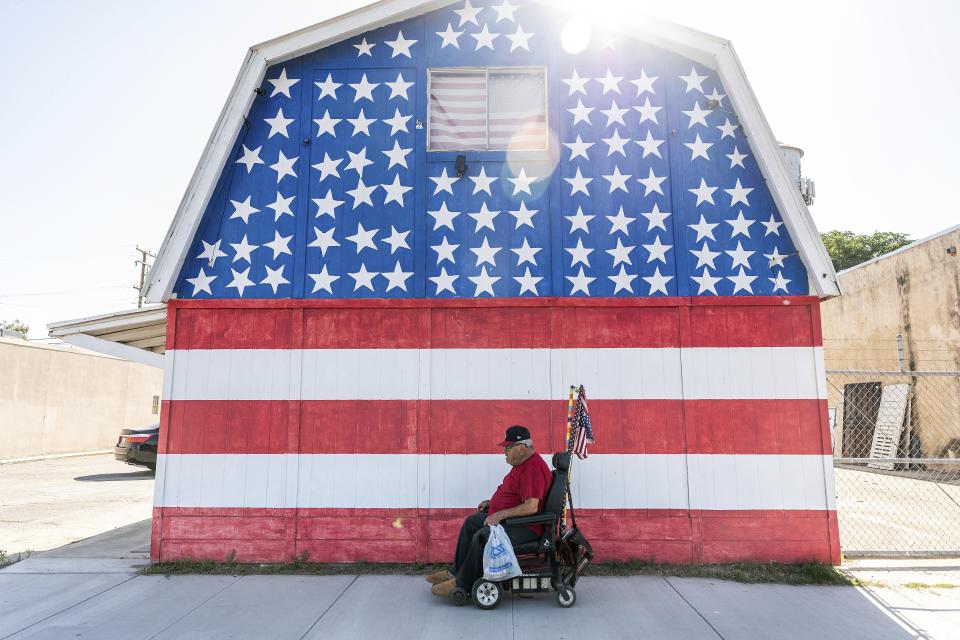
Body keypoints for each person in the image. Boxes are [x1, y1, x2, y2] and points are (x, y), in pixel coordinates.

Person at [425, 425, 553, 599]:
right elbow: (514, 495)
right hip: (511, 521)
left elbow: (531, 507)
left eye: (508, 448)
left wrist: (500, 514)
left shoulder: (532, 468)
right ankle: (455, 572)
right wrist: (492, 503)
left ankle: (462, 583)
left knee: (483, 536)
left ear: (522, 447)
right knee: (472, 523)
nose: (505, 452)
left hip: (526, 527)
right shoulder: (522, 464)